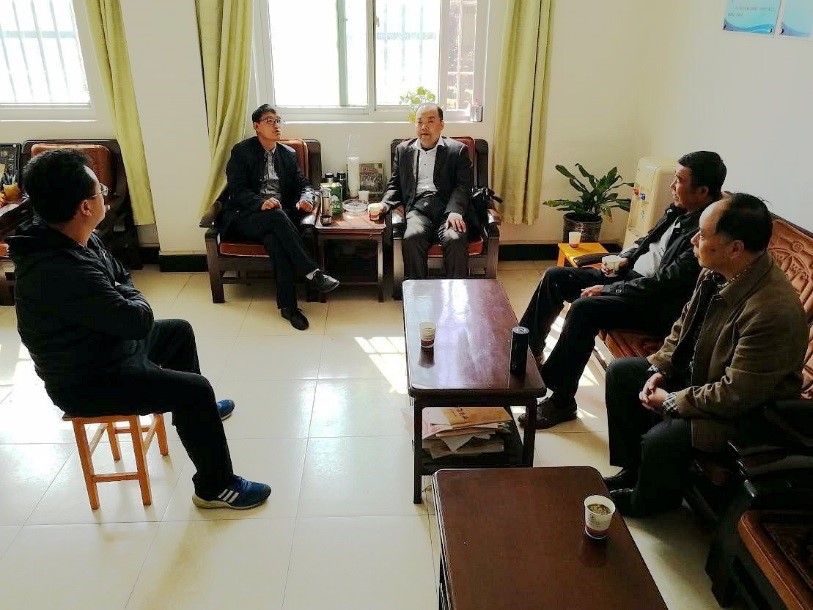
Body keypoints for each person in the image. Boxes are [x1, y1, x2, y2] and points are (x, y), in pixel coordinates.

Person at [9, 149, 271, 510]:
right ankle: (215, 487)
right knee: (195, 390)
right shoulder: (58, 270)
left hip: (105, 349)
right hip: (88, 381)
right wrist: (125, 293)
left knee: (178, 332)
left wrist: (121, 291)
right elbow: (138, 319)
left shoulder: (70, 236)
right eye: (100, 190)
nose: (104, 195)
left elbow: (120, 278)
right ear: (85, 207)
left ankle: (194, 416)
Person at [603, 193, 808, 517]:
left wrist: (671, 401)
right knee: (622, 374)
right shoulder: (717, 270)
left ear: (735, 248)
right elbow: (682, 326)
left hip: (751, 414)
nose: (694, 240)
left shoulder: (771, 311)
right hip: (704, 376)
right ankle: (635, 471)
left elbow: (736, 395)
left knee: (664, 438)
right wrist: (660, 368)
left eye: (703, 234)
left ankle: (651, 501)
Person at [519, 151, 727, 430]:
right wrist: (625, 258)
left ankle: (561, 401)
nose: (671, 186)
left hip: (651, 302)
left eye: (678, 180)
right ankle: (528, 351)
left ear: (702, 191)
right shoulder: (679, 209)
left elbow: (664, 284)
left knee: (584, 310)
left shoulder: (703, 234)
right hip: (630, 278)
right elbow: (648, 241)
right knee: (555, 277)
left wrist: (611, 289)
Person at [224, 104, 340, 330]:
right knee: (277, 216)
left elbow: (305, 185)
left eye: (278, 120)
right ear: (256, 126)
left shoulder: (288, 154)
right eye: (269, 121)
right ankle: (312, 272)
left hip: (278, 220)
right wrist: (260, 203)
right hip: (246, 216)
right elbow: (236, 190)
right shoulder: (242, 151)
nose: (276, 125)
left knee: (276, 241)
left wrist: (306, 199)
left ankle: (289, 307)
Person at [380, 103, 474, 279]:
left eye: (430, 121)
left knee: (455, 239)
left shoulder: (457, 150)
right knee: (412, 237)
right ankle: (417, 293)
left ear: (441, 124)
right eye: (419, 122)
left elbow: (463, 186)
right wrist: (384, 204)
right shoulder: (403, 150)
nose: (424, 127)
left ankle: (456, 292)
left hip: (447, 209)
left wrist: (455, 211)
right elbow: (394, 184)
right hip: (418, 209)